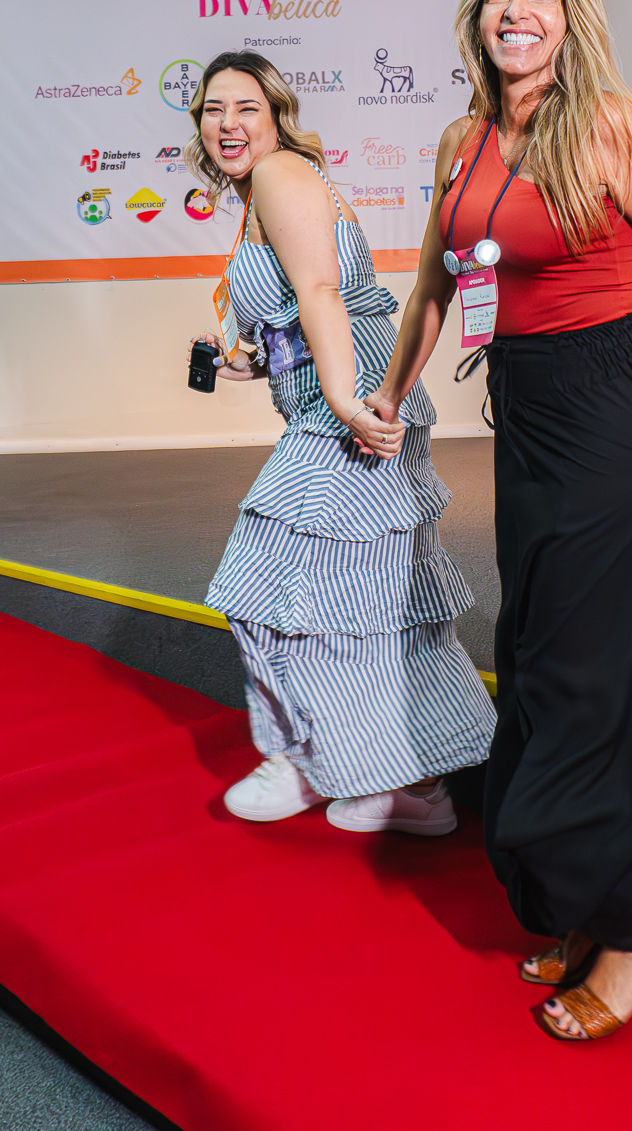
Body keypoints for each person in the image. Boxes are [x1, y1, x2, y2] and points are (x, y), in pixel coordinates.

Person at [371, 0, 632, 1042]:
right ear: (476, 15)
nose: (515, 12)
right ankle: (599, 904)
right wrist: (389, 393)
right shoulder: (462, 139)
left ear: (571, 17)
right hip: (525, 414)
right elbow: (434, 286)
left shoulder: (614, 126)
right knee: (538, 660)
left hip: (613, 410)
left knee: (617, 669)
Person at [188, 50, 494, 834]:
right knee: (370, 599)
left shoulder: (279, 174)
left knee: (264, 587)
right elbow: (306, 307)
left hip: (351, 406)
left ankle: (310, 760)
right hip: (352, 397)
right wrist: (253, 361)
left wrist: (340, 400)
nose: (228, 123)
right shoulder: (267, 189)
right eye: (213, 109)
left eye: (245, 107)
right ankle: (411, 785)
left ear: (275, 115)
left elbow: (323, 290)